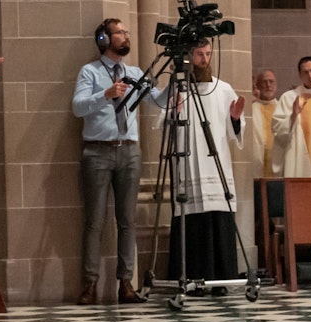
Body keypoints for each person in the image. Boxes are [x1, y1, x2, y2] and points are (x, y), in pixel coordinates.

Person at [72, 18, 155, 305]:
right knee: (94, 221)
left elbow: (157, 100)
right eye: (119, 32)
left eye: (127, 32)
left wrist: (175, 94)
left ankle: (126, 283)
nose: (125, 36)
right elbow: (78, 107)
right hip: (97, 151)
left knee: (127, 221)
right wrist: (105, 94)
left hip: (130, 151)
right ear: (104, 40)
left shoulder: (134, 72)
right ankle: (89, 284)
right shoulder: (90, 72)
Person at [166, 41, 245, 293]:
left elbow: (237, 130)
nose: (204, 59)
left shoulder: (223, 89)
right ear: (189, 56)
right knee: (194, 223)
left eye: (208, 54)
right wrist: (174, 112)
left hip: (216, 163)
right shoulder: (180, 89)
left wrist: (234, 119)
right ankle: (193, 281)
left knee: (218, 218)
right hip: (189, 166)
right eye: (199, 54)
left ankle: (221, 281)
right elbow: (165, 125)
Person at [244, 68, 283, 178]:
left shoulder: (282, 108)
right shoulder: (250, 109)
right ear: (257, 85)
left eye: (271, 81)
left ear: (276, 85)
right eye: (264, 82)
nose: (268, 85)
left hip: (277, 161)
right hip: (256, 161)